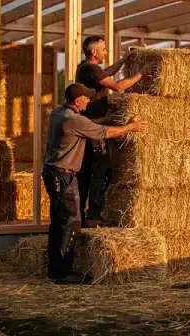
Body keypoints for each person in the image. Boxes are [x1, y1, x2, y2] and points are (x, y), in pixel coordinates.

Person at [42, 82, 147, 284]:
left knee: (58, 221)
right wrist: (130, 127)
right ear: (77, 100)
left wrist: (105, 120)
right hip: (63, 177)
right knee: (71, 222)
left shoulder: (59, 113)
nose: (89, 100)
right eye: (86, 97)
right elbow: (103, 133)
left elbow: (87, 125)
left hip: (53, 174)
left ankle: (55, 269)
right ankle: (63, 273)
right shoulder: (73, 120)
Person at [75, 35, 145, 227]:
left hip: (92, 124)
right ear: (94, 52)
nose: (106, 52)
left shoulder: (86, 68)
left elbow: (106, 73)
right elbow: (117, 86)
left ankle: (84, 217)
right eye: (104, 49)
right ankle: (93, 216)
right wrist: (141, 75)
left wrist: (123, 61)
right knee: (101, 168)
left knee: (89, 171)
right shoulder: (89, 69)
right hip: (93, 127)